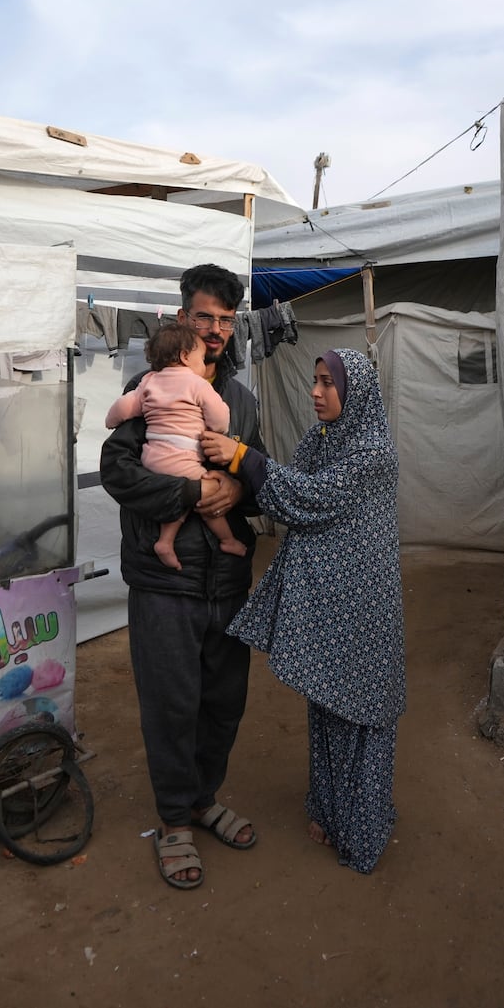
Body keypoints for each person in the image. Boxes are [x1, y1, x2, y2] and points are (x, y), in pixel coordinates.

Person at [200, 347, 406, 874]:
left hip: (363, 609)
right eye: (314, 382)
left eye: (326, 384)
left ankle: (361, 822)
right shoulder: (321, 440)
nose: (315, 393)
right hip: (328, 608)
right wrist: (236, 483)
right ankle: (328, 810)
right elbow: (281, 494)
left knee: (361, 714)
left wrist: (243, 458)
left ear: (353, 392)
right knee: (326, 704)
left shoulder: (373, 454)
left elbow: (310, 498)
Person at [100, 263, 266, 890]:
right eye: (205, 317)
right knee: (172, 703)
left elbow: (264, 477)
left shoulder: (241, 402)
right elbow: (118, 472)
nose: (216, 329)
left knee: (223, 701)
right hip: (163, 579)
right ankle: (174, 820)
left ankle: (203, 798)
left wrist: (236, 485)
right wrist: (192, 489)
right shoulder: (152, 387)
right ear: (182, 318)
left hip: (225, 578)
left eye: (226, 320)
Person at [104, 322, 247, 570]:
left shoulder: (148, 381)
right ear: (184, 356)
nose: (203, 365)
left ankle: (165, 541)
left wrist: (110, 421)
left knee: (180, 497)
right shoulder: (197, 384)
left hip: (153, 458)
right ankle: (228, 539)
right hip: (182, 456)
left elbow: (124, 407)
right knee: (209, 493)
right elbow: (219, 416)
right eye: (200, 359)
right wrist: (219, 430)